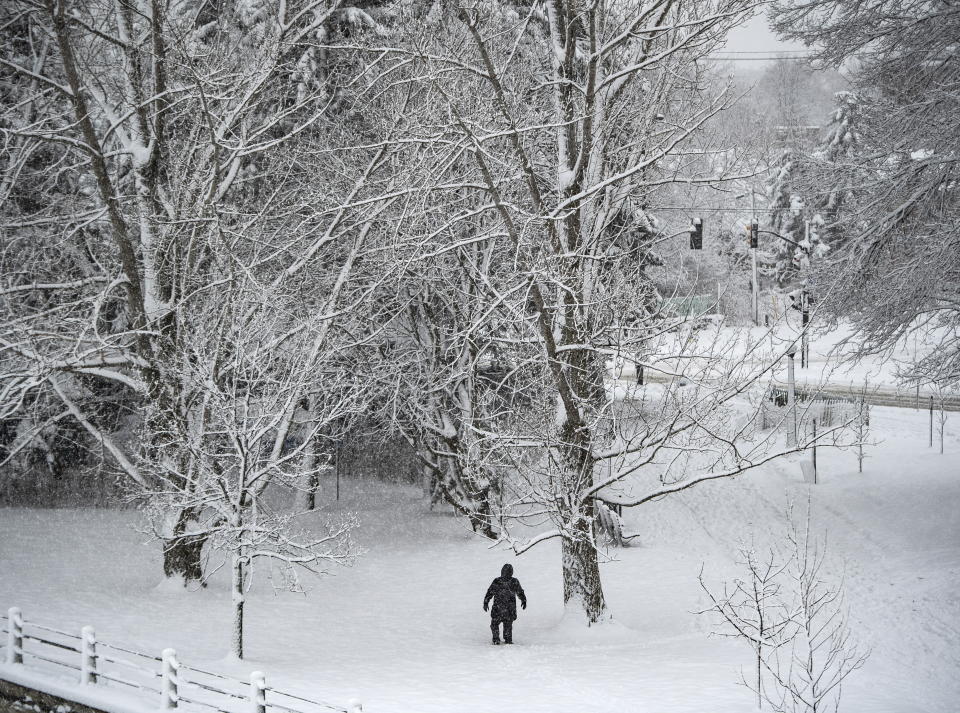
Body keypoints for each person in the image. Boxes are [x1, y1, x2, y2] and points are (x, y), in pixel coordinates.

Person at [483, 563, 527, 645]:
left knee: (505, 625)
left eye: (508, 572)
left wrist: (523, 600)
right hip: (501, 609)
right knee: (498, 625)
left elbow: (520, 592)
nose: (506, 574)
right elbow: (490, 592)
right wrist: (486, 602)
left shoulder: (513, 581)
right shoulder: (498, 581)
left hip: (505, 609)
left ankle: (506, 640)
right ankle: (499, 639)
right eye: (505, 572)